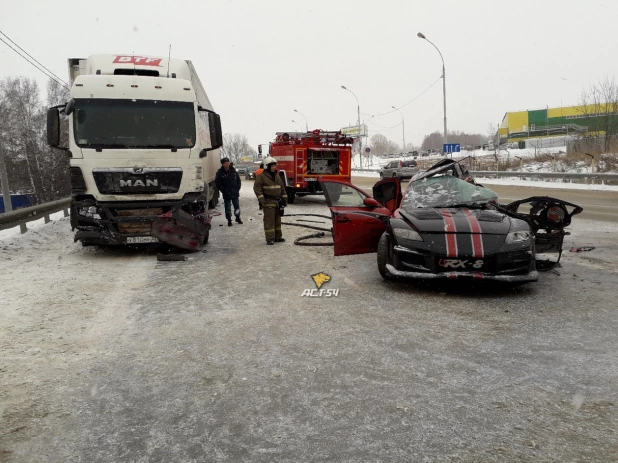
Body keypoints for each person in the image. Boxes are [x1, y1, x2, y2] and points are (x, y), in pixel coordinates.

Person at [253, 157, 287, 245]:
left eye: (275, 165)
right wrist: (262, 200)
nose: (274, 167)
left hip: (277, 202)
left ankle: (278, 237)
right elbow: (257, 188)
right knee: (269, 221)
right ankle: (270, 239)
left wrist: (284, 199)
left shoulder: (277, 175)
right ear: (266, 166)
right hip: (268, 202)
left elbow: (282, 188)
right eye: (272, 166)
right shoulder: (261, 176)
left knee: (277, 221)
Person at [215, 157, 243, 226]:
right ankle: (229, 219)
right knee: (228, 208)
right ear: (222, 164)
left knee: (236, 207)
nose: (227, 164)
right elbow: (218, 183)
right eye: (225, 163)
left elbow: (238, 180)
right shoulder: (220, 173)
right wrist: (223, 191)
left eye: (228, 162)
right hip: (226, 193)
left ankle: (238, 217)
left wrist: (238, 188)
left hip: (234, 192)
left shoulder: (233, 171)